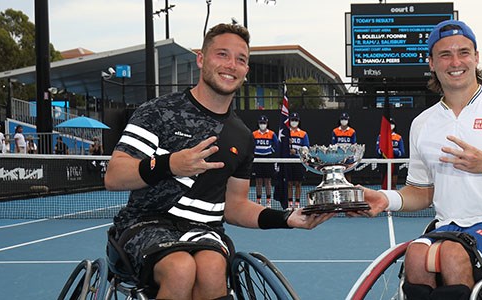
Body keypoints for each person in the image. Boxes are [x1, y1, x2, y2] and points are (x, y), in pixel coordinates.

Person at [103, 23, 332, 300]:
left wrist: (286, 218)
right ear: (201, 59)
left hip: (205, 231)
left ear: (246, 71)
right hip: (143, 225)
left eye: (240, 59)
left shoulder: (242, 136)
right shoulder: (158, 112)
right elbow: (114, 175)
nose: (231, 65)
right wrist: (170, 164)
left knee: (212, 268)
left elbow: (235, 206)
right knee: (180, 268)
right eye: (222, 54)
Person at [352, 20, 482, 299]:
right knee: (415, 255)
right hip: (448, 226)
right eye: (445, 55)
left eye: (463, 52)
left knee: (451, 254)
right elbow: (422, 192)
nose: (455, 62)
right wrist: (385, 199)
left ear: (476, 57)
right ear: (431, 63)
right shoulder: (423, 123)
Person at [252, 115, 278, 207]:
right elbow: (250, 145)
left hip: (268, 158)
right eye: (261, 123)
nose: (262, 125)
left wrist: (271, 150)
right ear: (258, 124)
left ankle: (268, 201)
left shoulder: (271, 134)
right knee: (258, 181)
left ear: (267, 124)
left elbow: (276, 145)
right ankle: (258, 201)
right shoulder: (254, 134)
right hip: (257, 159)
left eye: (264, 123)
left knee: (268, 181)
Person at [286, 112, 309, 209]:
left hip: (298, 161)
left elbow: (306, 148)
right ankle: (290, 203)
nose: (294, 122)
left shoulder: (303, 134)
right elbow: (280, 146)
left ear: (298, 122)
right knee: (289, 183)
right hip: (288, 161)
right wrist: (287, 147)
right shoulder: (285, 133)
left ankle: (297, 203)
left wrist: (295, 151)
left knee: (298, 183)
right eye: (292, 120)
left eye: (296, 120)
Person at [376, 117, 405, 189]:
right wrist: (384, 151)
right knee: (383, 184)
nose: (390, 126)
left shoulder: (398, 137)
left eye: (392, 124)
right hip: (384, 161)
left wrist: (393, 151)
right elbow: (377, 150)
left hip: (394, 162)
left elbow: (402, 152)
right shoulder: (381, 136)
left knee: (393, 184)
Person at [331, 112, 356, 181]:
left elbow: (353, 145)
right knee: (338, 175)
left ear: (348, 120)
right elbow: (333, 144)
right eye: (342, 119)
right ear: (340, 120)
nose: (343, 121)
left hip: (349, 156)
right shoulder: (335, 131)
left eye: (345, 119)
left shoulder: (352, 131)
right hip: (338, 156)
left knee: (348, 175)